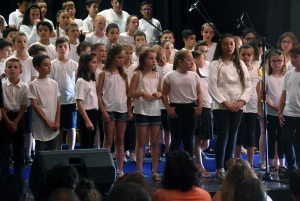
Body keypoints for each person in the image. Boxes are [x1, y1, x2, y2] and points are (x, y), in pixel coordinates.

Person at [208, 33, 251, 182]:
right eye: (225, 44)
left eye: (231, 44)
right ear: (221, 46)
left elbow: (248, 86)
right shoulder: (215, 64)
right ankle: (219, 168)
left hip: (238, 106)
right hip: (221, 106)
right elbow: (212, 87)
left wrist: (240, 102)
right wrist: (225, 103)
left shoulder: (240, 64)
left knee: (233, 135)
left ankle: (229, 166)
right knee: (223, 136)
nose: (229, 47)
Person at [97, 44, 133, 178]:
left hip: (122, 110)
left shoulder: (124, 74)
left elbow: (128, 94)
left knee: (120, 140)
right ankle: (104, 168)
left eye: (123, 57)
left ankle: (120, 170)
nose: (121, 60)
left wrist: (129, 110)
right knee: (108, 140)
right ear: (111, 57)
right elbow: (98, 94)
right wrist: (104, 111)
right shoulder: (103, 74)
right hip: (109, 109)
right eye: (119, 57)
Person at [161, 49, 203, 157]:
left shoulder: (194, 76)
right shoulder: (170, 76)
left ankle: (189, 168)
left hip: (191, 108)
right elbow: (164, 94)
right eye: (189, 60)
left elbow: (199, 93)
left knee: (189, 139)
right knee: (176, 139)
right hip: (176, 108)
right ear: (180, 62)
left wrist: (200, 106)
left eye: (192, 60)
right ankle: (171, 168)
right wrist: (168, 108)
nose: (192, 63)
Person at [128, 47, 161, 180]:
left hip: (155, 110)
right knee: (141, 141)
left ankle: (154, 170)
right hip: (141, 110)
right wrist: (142, 92)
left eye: (155, 58)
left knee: (154, 141)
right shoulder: (138, 74)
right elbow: (130, 93)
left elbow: (160, 91)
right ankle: (140, 170)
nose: (154, 61)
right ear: (143, 60)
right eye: (151, 58)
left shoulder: (158, 75)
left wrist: (159, 94)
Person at [7, 31, 38, 164]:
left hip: (27, 97)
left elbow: (34, 79)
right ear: (13, 43)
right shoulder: (10, 60)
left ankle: (28, 154)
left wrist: (27, 93)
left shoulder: (31, 60)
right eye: (19, 41)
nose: (22, 44)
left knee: (28, 128)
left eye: (25, 41)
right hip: (11, 99)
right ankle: (12, 154)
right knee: (12, 128)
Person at [234, 45, 262, 168]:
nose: (246, 57)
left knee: (250, 134)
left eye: (248, 55)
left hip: (252, 105)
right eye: (243, 54)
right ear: (239, 55)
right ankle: (236, 162)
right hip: (239, 104)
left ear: (253, 56)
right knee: (239, 133)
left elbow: (259, 90)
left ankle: (250, 164)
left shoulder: (256, 70)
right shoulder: (236, 68)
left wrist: (259, 107)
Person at [0, 58, 28, 177]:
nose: (12, 69)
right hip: (4, 118)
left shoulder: (25, 87)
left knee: (19, 149)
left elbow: (24, 105)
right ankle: (5, 176)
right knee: (4, 149)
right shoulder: (2, 86)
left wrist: (15, 121)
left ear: (20, 71)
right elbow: (0, 106)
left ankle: (18, 176)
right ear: (5, 70)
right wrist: (8, 122)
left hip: (19, 117)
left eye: (15, 67)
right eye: (10, 67)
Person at [49, 37, 78, 150]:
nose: (63, 49)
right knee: (59, 128)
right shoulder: (52, 65)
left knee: (71, 127)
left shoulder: (75, 65)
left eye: (65, 46)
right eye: (60, 46)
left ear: (69, 48)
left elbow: (77, 83)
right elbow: (51, 83)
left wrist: (77, 100)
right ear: (56, 49)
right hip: (57, 102)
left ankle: (71, 150)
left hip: (71, 100)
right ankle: (58, 151)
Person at [29, 54, 60, 152]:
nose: (49, 67)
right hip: (41, 122)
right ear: (37, 68)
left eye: (50, 64)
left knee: (54, 149)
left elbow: (58, 103)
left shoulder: (54, 83)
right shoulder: (33, 84)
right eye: (46, 65)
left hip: (53, 121)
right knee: (40, 151)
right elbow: (35, 105)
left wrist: (57, 121)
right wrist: (47, 121)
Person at [278, 45, 300, 176]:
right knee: (285, 140)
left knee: (298, 143)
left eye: (295, 57)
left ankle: (298, 168)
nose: (292, 59)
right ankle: (291, 167)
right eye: (291, 57)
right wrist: (280, 112)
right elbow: (283, 94)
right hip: (288, 113)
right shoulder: (288, 74)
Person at [191, 50, 212, 178]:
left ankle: (195, 153)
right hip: (198, 107)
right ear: (197, 60)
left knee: (206, 143)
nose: (205, 60)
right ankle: (199, 165)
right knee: (198, 138)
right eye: (203, 58)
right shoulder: (193, 76)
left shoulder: (204, 74)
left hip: (207, 107)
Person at [266, 50, 286, 174]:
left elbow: (288, 94)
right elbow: (264, 95)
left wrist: (281, 107)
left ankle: (282, 164)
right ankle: (272, 163)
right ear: (269, 62)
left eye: (279, 60)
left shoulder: (286, 76)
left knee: (282, 138)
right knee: (272, 137)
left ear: (283, 62)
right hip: (271, 111)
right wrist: (272, 105)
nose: (276, 63)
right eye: (274, 61)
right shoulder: (267, 77)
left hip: (283, 112)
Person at [75, 52, 98, 149]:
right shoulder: (81, 81)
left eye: (96, 62)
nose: (96, 65)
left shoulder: (92, 81)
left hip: (94, 112)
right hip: (86, 113)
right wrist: (87, 121)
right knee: (86, 142)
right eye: (93, 62)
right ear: (85, 64)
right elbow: (79, 102)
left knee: (91, 141)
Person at [153, 45, 172, 157]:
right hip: (156, 103)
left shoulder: (171, 67)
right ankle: (160, 146)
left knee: (167, 128)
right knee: (158, 128)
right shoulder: (154, 69)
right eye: (160, 58)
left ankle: (168, 148)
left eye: (164, 57)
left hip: (167, 102)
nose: (163, 60)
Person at [121, 43, 136, 162]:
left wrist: (133, 101)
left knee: (132, 128)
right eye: (126, 53)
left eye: (130, 53)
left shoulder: (135, 67)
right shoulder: (119, 68)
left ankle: (132, 151)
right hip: (120, 101)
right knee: (122, 128)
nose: (129, 55)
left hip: (132, 101)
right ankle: (123, 151)